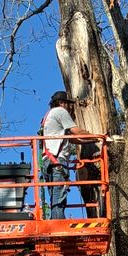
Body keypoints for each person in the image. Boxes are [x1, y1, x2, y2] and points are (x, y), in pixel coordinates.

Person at [40, 91, 93, 219]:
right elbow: (76, 131)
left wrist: (91, 140)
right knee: (58, 200)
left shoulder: (49, 116)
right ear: (62, 103)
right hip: (57, 161)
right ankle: (57, 226)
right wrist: (98, 136)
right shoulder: (60, 111)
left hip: (48, 161)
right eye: (69, 104)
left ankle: (55, 223)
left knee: (55, 199)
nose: (70, 108)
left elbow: (72, 139)